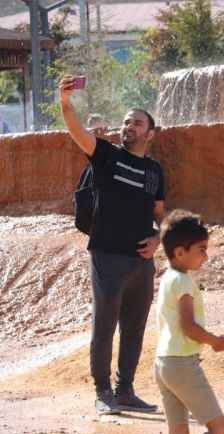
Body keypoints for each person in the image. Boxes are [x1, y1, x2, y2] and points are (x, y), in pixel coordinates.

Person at [59, 75, 165, 415]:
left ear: (150, 133)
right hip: (106, 255)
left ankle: (125, 390)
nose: (128, 126)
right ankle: (102, 392)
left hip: (141, 259)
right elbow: (78, 133)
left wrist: (157, 237)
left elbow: (158, 212)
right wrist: (65, 103)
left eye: (137, 122)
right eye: (125, 121)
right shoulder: (106, 156)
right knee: (104, 325)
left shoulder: (155, 170)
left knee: (134, 327)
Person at [154, 210, 224, 434]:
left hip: (163, 363)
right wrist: (216, 341)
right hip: (181, 364)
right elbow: (188, 327)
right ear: (180, 252)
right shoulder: (183, 282)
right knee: (218, 427)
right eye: (201, 249)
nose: (206, 256)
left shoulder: (169, 277)